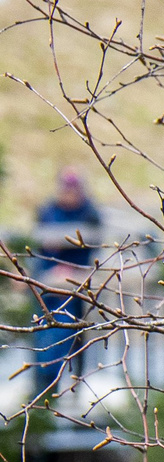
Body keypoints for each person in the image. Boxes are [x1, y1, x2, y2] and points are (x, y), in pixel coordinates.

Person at [27, 169, 102, 403]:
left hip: (74, 289)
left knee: (75, 336)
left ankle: (72, 390)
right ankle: (45, 390)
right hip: (48, 288)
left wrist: (74, 272)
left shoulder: (90, 214)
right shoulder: (47, 211)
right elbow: (39, 247)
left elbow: (92, 247)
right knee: (45, 335)